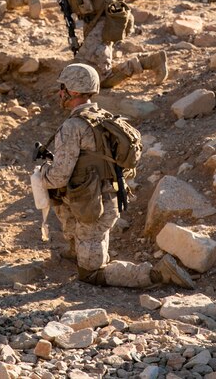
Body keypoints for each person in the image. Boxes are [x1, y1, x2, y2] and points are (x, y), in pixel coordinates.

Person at [43, 63, 193, 289]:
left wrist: (41, 176)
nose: (59, 93)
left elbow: (59, 176)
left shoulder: (74, 126)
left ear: (72, 91)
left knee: (92, 274)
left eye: (62, 88)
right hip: (108, 199)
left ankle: (156, 274)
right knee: (63, 201)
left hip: (92, 208)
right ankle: (78, 249)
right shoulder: (104, 117)